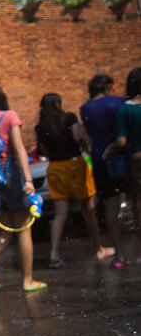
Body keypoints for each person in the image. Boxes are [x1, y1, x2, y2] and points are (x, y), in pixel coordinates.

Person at [0, 84, 47, 294]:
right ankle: (28, 280)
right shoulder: (9, 116)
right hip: (11, 176)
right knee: (23, 229)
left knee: (4, 229)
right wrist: (29, 180)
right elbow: (19, 148)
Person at [34, 93, 113, 268]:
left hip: (55, 168)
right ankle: (98, 248)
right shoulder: (69, 117)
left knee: (60, 214)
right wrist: (88, 149)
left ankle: (54, 253)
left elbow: (43, 150)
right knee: (88, 209)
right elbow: (78, 138)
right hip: (75, 165)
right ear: (57, 104)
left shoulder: (41, 126)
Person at [80, 74, 127, 267]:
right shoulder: (118, 103)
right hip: (122, 154)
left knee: (110, 205)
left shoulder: (86, 108)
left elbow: (90, 134)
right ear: (109, 87)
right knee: (136, 201)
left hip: (100, 159)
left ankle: (119, 254)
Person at [113, 67, 141, 248]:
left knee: (138, 202)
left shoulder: (125, 109)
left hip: (138, 158)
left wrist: (111, 150)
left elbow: (121, 142)